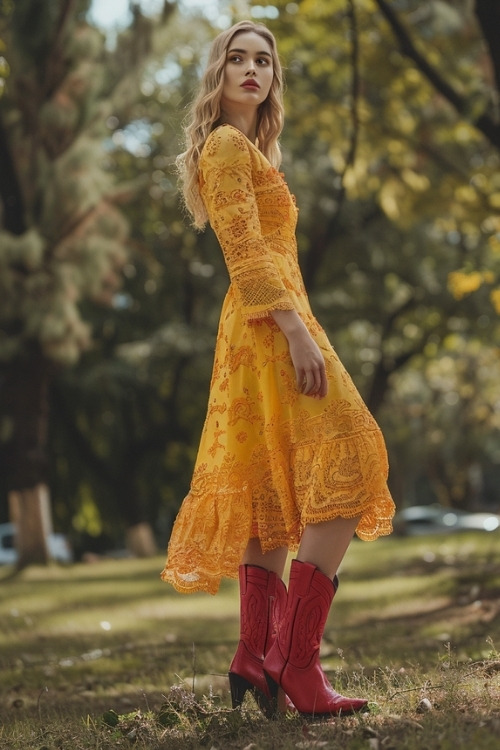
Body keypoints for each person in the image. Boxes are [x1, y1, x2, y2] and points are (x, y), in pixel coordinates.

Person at [161, 20, 395, 718]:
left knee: (268, 497)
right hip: (271, 325)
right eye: (238, 58)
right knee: (356, 453)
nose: (252, 69)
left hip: (263, 323)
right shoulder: (227, 146)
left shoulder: (246, 149)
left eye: (264, 60)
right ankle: (297, 666)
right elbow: (246, 252)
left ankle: (256, 655)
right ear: (220, 73)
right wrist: (297, 331)